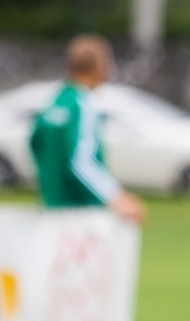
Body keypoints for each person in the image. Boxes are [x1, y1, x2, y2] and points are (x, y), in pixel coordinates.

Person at [28, 34, 145, 224]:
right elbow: (81, 160)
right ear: (99, 65)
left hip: (52, 207)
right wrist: (115, 196)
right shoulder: (83, 104)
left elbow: (35, 144)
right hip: (81, 212)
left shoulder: (55, 103)